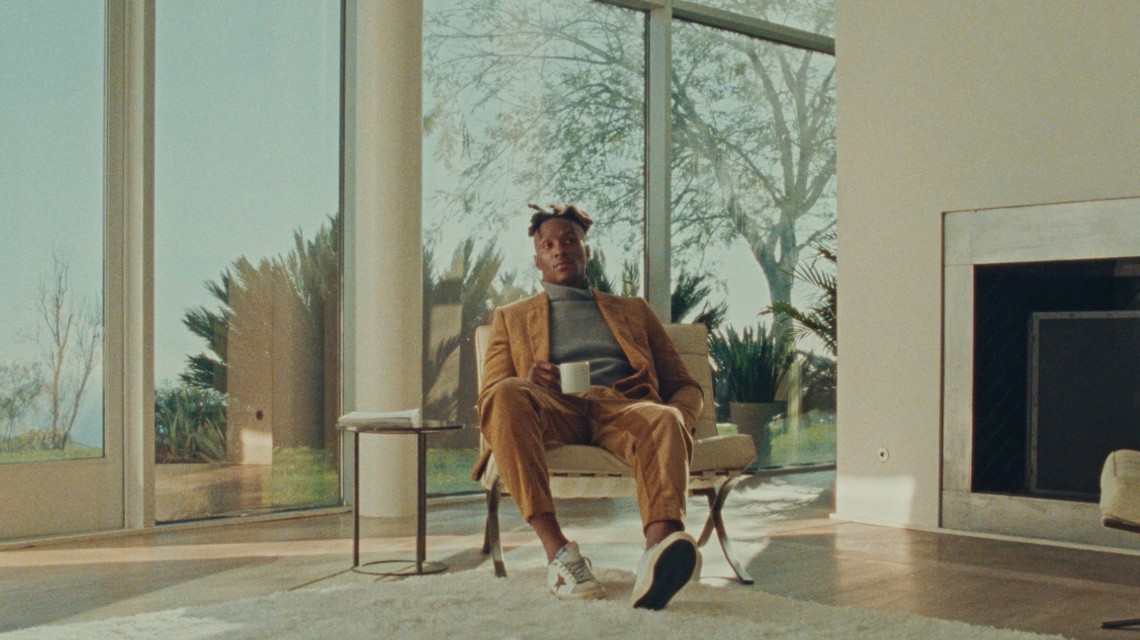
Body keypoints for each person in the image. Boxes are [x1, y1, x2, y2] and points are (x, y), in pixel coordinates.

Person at [473, 203, 704, 610]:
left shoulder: (633, 311)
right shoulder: (511, 318)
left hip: (622, 408)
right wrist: (528, 382)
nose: (559, 250)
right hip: (552, 408)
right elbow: (490, 395)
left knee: (666, 418)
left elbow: (685, 386)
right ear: (537, 260)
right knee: (506, 393)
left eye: (569, 240)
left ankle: (657, 554)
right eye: (548, 245)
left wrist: (677, 423)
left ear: (587, 250)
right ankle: (560, 554)